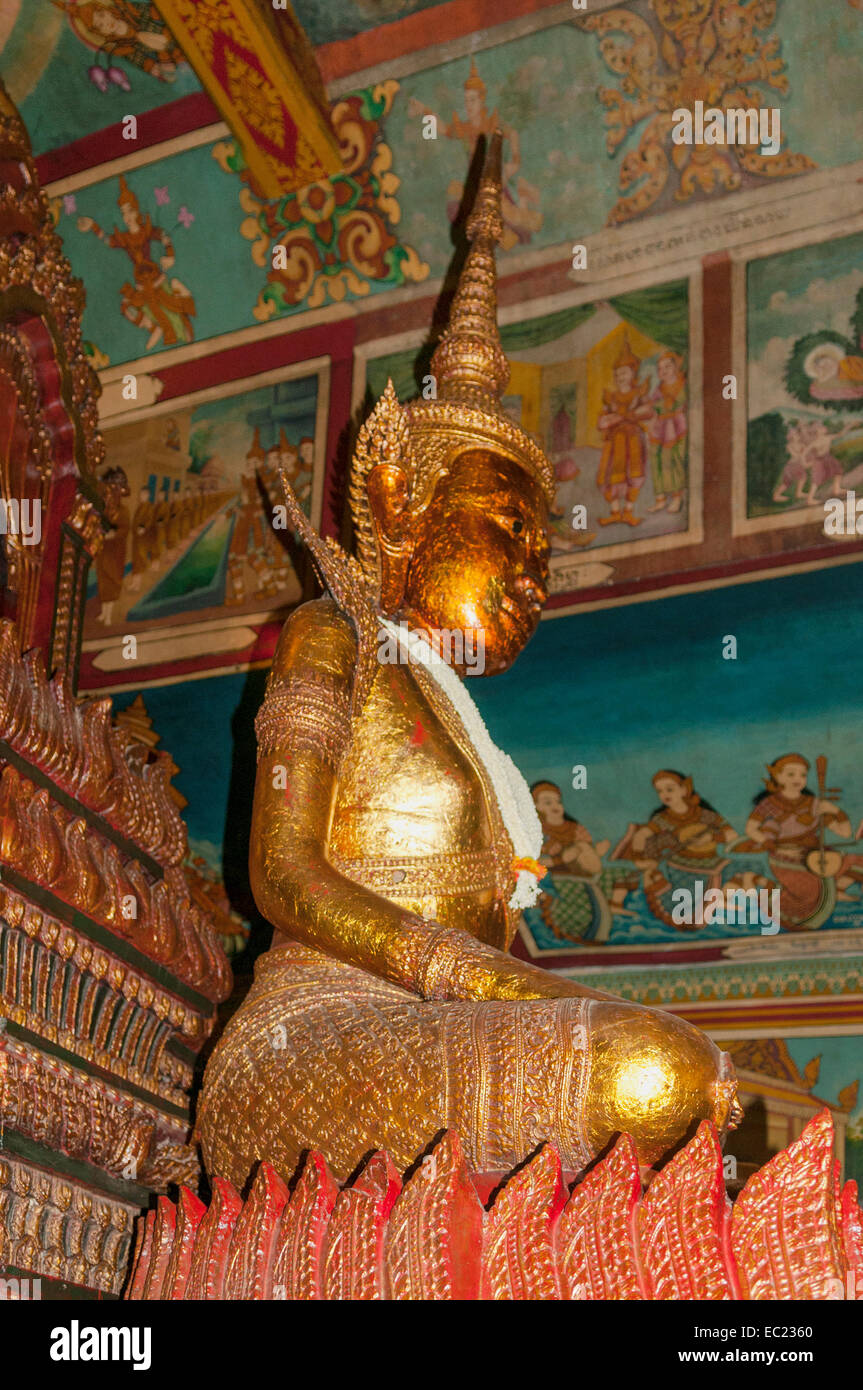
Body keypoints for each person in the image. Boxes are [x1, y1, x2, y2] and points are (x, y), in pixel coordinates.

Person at [198, 135, 741, 1190]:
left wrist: (535, 995)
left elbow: (508, 962)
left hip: (431, 1027)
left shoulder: (463, 730)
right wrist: (498, 989)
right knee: (645, 1070)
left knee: (705, 1084)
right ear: (402, 502)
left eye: (544, 547)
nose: (533, 570)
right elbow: (285, 876)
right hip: (312, 1033)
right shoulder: (329, 637)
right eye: (507, 529)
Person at [596, 335, 653, 527]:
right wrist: (624, 416)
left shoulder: (639, 394)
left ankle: (628, 511)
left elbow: (647, 411)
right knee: (609, 476)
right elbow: (602, 423)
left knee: (634, 474)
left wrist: (621, 417)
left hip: (633, 441)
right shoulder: (610, 397)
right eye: (618, 374)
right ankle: (614, 511)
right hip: (613, 443)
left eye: (624, 373)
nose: (621, 377)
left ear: (632, 374)